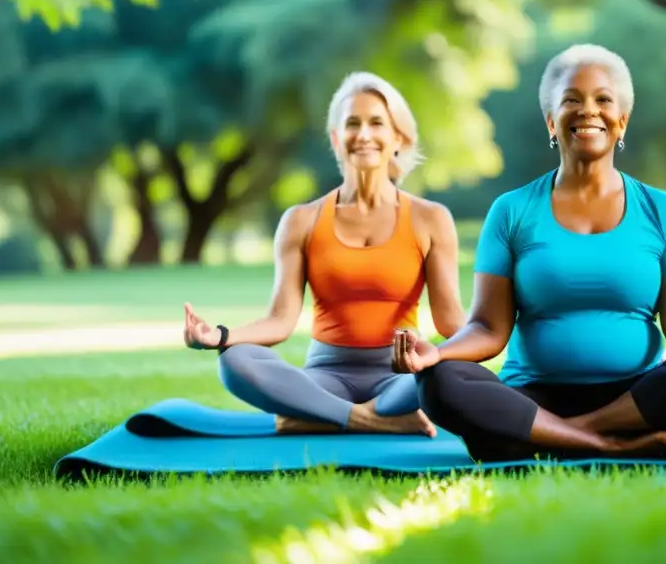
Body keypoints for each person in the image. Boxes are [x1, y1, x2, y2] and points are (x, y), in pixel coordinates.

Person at [391, 44, 666, 463]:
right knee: (439, 381)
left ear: (622, 121)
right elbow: (489, 327)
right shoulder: (511, 211)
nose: (588, 110)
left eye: (603, 100)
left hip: (638, 400)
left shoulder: (665, 211)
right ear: (551, 121)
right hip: (535, 398)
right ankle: (610, 445)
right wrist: (438, 353)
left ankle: (548, 439)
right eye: (571, 100)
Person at [184, 72, 466, 437]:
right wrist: (219, 337)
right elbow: (280, 320)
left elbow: (451, 324)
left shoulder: (431, 219)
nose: (363, 134)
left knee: (448, 371)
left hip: (400, 376)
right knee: (236, 360)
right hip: (325, 377)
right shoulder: (301, 220)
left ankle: (311, 417)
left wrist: (496, 336)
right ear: (336, 139)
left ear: (398, 137)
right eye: (352, 124)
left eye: (376, 123)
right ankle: (366, 420)